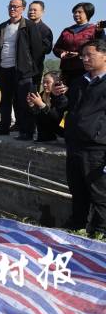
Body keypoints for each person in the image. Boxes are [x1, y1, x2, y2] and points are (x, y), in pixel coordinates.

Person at [62, 39, 106, 236]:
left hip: (97, 148)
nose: (85, 59)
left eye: (90, 55)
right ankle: (76, 227)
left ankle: (99, 234)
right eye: (83, 56)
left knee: (99, 195)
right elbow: (71, 110)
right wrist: (58, 97)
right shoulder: (80, 81)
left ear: (105, 56)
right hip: (75, 145)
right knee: (77, 192)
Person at [0, 0, 43, 141]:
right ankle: (3, 127)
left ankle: (27, 131)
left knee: (24, 102)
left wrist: (31, 68)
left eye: (16, 6)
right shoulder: (2, 26)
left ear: (22, 9)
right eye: (10, 6)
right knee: (5, 101)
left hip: (22, 70)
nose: (12, 9)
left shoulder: (29, 25)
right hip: (4, 68)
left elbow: (37, 50)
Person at [53, 2, 101, 85]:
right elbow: (56, 48)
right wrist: (62, 53)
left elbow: (100, 48)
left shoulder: (94, 30)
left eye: (79, 12)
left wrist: (80, 54)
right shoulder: (67, 31)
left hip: (85, 69)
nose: (76, 14)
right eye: (75, 12)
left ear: (87, 13)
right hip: (67, 70)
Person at [27, 71, 67, 142]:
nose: (44, 85)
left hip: (63, 128)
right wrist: (32, 105)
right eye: (43, 82)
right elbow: (38, 116)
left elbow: (58, 118)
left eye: (48, 82)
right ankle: (45, 136)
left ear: (57, 83)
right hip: (48, 132)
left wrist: (41, 104)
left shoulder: (62, 96)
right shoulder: (42, 95)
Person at [28, 1, 54, 89]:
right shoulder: (21, 26)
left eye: (35, 10)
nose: (31, 12)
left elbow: (47, 49)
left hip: (34, 69)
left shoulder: (45, 30)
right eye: (30, 10)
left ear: (42, 12)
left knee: (32, 96)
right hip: (17, 68)